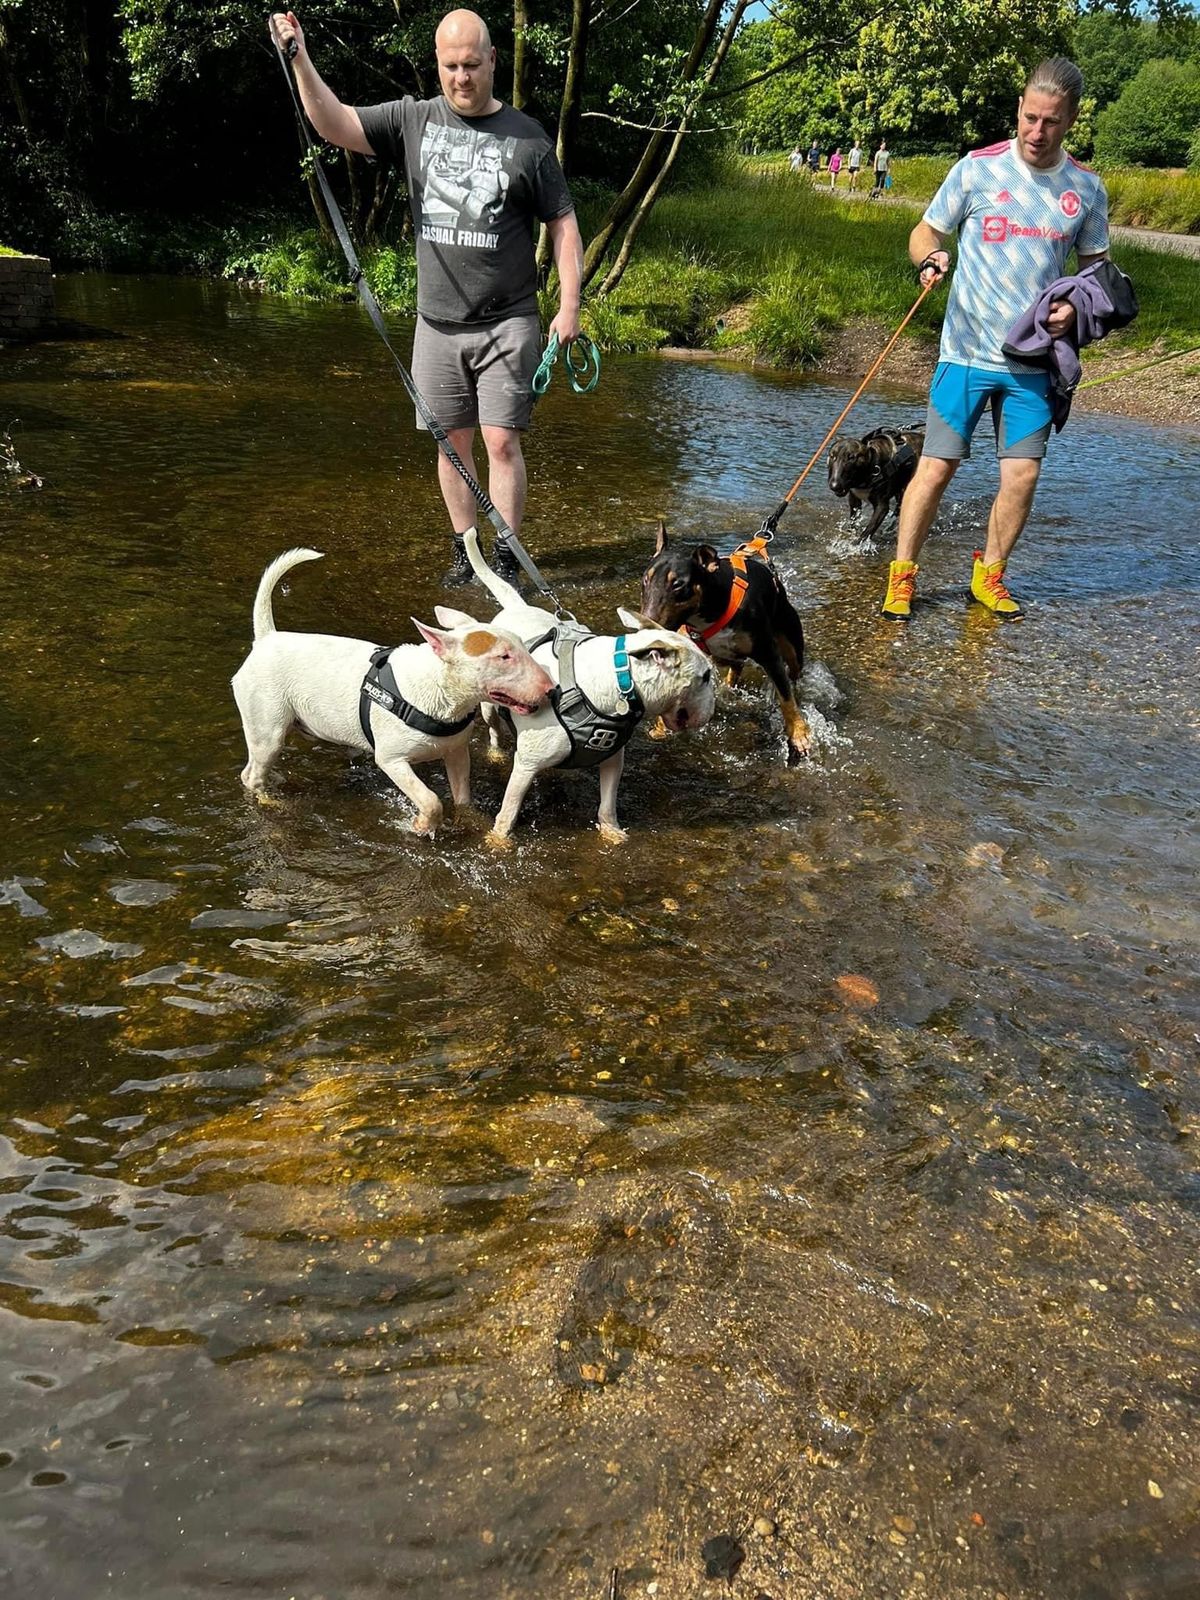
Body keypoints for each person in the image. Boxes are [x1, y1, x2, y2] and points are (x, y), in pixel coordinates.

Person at [267, 9, 583, 587]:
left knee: (501, 440)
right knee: (451, 443)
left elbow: (563, 224)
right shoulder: (413, 120)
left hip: (508, 319)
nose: (461, 77)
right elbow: (332, 123)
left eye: (471, 65)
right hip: (436, 323)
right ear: (438, 64)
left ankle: (508, 555)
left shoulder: (528, 139)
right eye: (450, 66)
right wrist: (299, 57)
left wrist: (568, 305)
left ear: (492, 60)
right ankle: (468, 553)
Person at [880, 58, 1109, 623]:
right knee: (935, 467)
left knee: (1023, 474)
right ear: (1019, 111)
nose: (1037, 132)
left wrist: (1072, 312)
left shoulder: (1085, 189)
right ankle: (903, 577)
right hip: (964, 353)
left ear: (1071, 120)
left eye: (1051, 122)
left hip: (1032, 362)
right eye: (1030, 118)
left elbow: (1098, 275)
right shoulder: (976, 169)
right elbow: (927, 229)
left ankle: (989, 578)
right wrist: (929, 256)